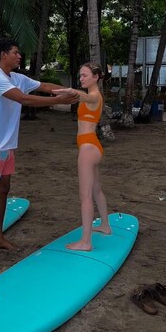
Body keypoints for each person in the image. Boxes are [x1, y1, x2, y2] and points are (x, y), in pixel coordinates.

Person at [0, 38, 79, 267]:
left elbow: (44, 86)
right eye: (16, 52)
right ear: (3, 55)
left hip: (6, 146)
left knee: (4, 191)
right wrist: (58, 101)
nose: (19, 56)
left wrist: (71, 91)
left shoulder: (16, 78)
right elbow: (23, 98)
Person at [53, 62, 111, 251]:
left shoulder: (94, 96)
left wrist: (73, 91)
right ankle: (105, 225)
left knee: (85, 196)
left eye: (85, 75)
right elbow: (83, 97)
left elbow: (86, 96)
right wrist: (68, 94)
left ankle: (86, 242)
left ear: (96, 77)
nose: (81, 78)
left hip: (88, 148)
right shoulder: (90, 97)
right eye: (80, 75)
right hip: (91, 146)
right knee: (96, 190)